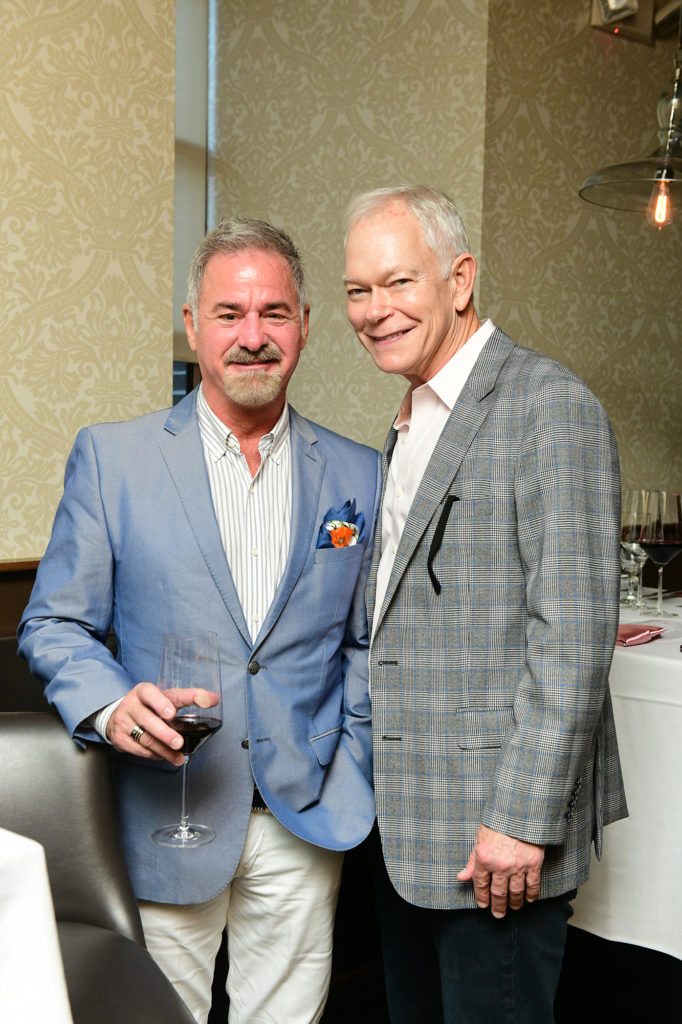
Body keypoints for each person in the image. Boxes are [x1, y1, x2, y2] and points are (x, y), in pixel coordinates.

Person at [18, 218, 381, 1024]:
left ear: (305, 324)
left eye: (274, 313)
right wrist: (112, 706)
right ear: (192, 324)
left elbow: (364, 642)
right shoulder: (114, 460)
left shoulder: (361, 472)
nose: (253, 337)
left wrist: (346, 758)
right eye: (229, 314)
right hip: (165, 813)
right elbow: (53, 625)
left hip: (306, 815)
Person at [343, 184, 626, 1023]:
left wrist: (519, 819)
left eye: (398, 283)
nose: (375, 310)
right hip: (409, 829)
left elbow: (573, 635)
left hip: (494, 842)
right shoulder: (413, 416)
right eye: (359, 289)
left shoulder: (548, 406)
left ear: (459, 281)